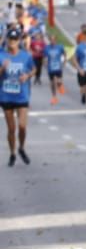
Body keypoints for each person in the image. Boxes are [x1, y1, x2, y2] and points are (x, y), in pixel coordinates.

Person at [1, 27, 35, 165]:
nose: (12, 41)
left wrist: (27, 75)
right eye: (10, 39)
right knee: (11, 129)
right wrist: (3, 68)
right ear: (7, 40)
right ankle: (12, 153)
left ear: (19, 40)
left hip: (22, 96)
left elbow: (34, 69)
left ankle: (21, 147)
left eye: (15, 39)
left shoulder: (26, 56)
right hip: (6, 96)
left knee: (22, 126)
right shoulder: (1, 55)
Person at [44, 36, 65, 104]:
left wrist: (64, 62)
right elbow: (45, 57)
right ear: (50, 40)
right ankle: (54, 97)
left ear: (56, 40)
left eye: (54, 40)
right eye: (51, 40)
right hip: (50, 68)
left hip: (58, 67)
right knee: (52, 83)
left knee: (59, 82)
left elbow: (64, 54)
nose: (52, 41)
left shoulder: (60, 47)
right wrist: (46, 64)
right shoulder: (47, 48)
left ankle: (60, 86)